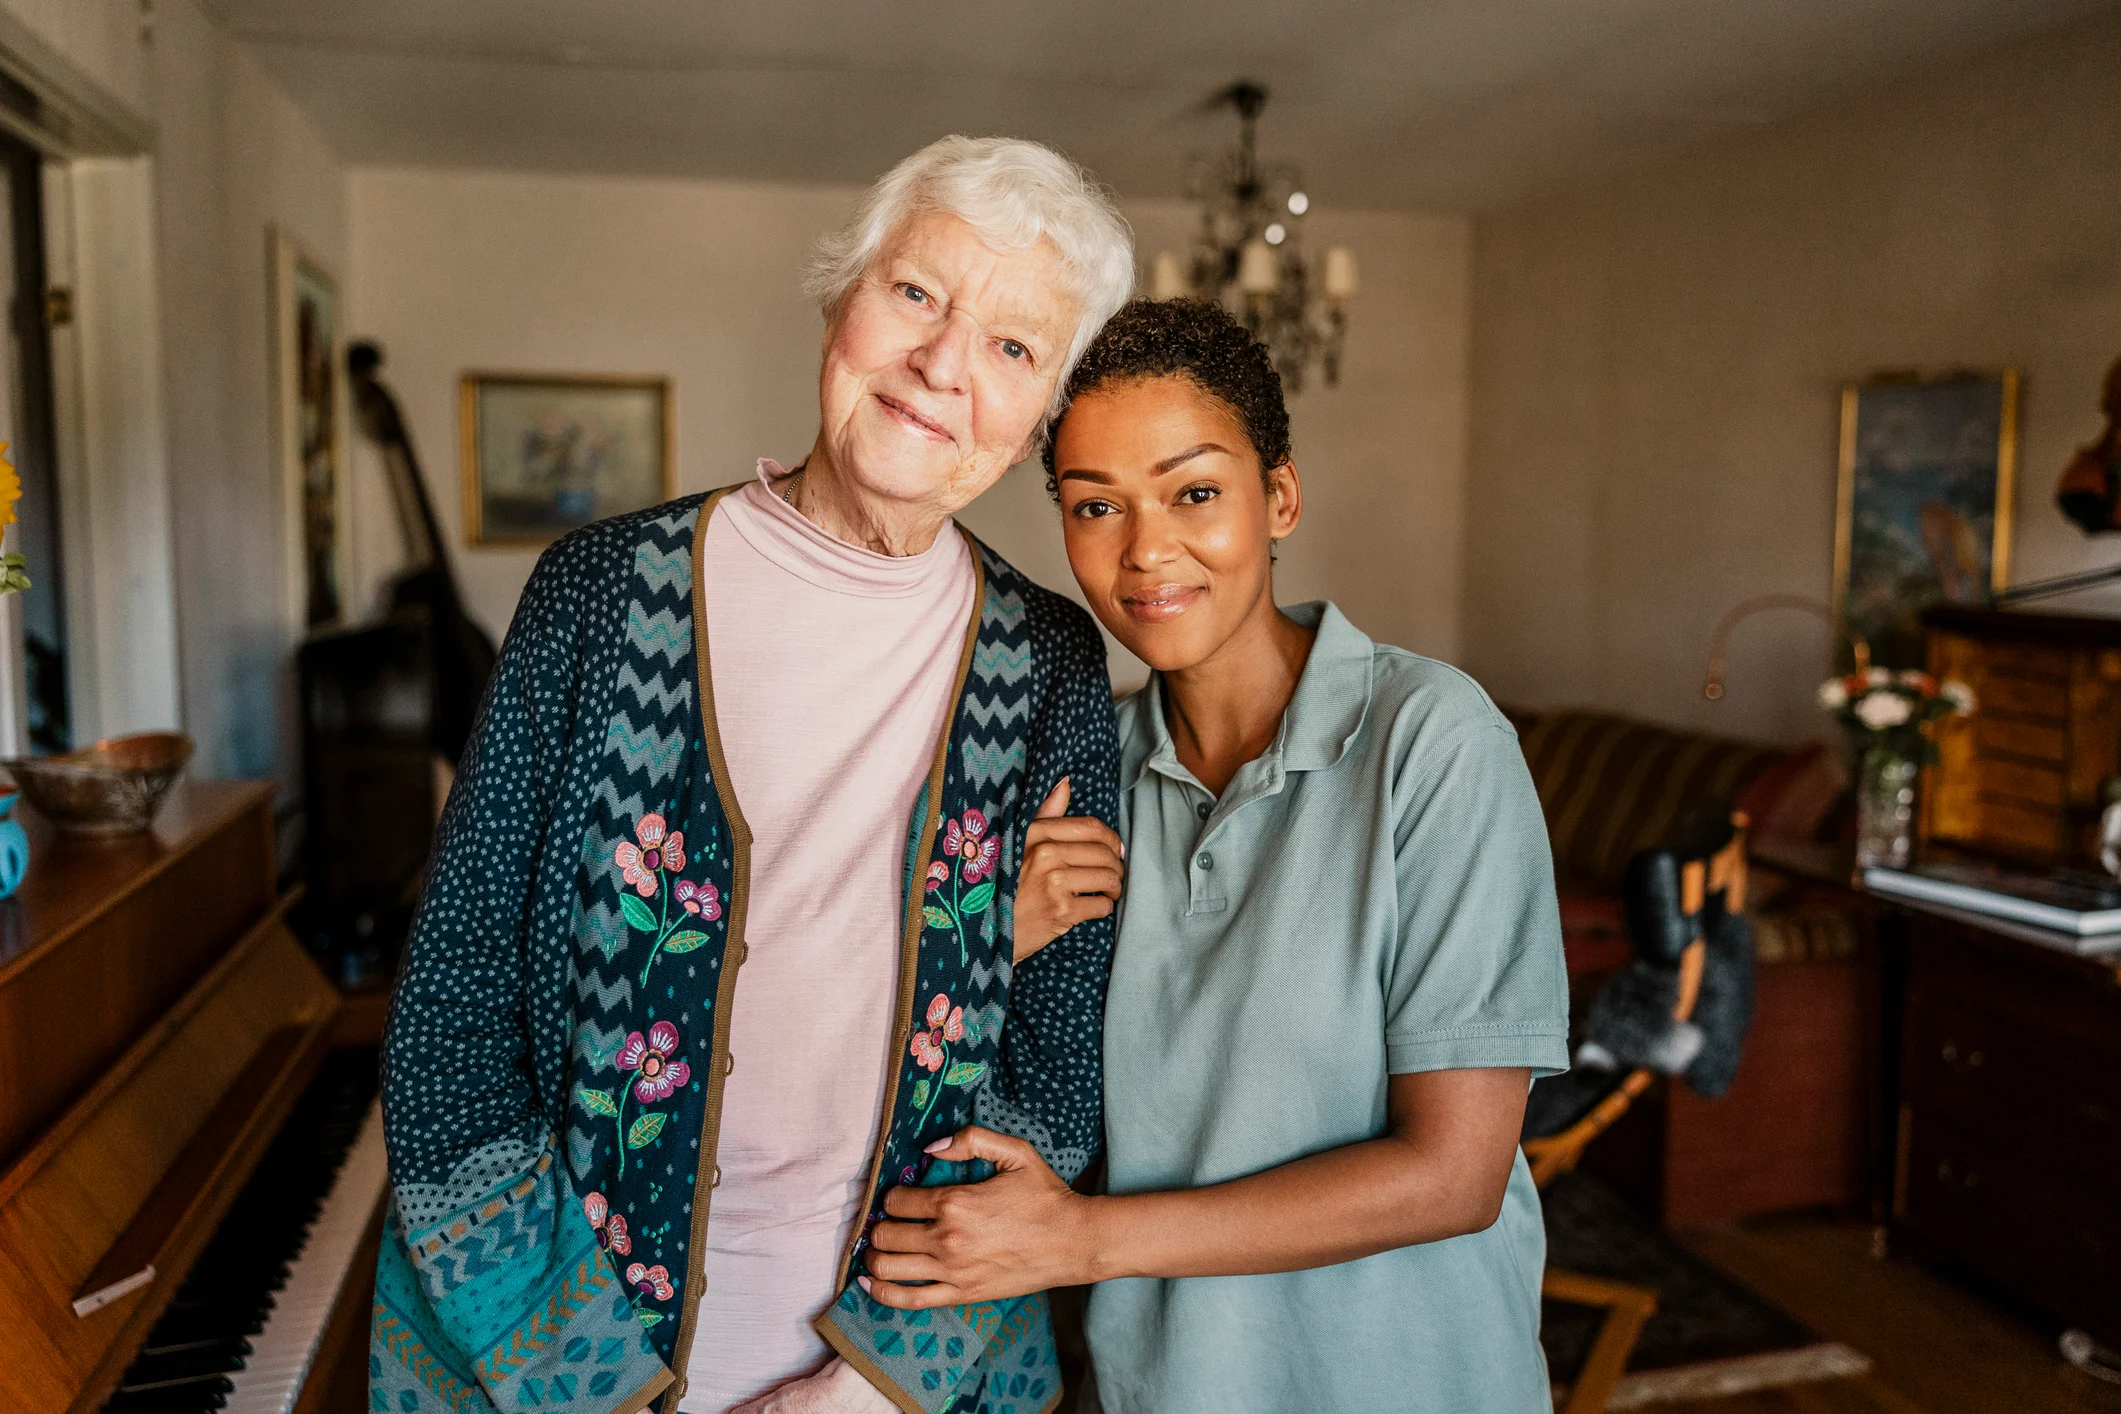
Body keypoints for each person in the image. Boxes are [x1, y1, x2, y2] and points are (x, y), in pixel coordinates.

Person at [370, 137, 1137, 1414]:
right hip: (540, 1365)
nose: (944, 367)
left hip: (896, 1379)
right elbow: (452, 1007)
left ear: (1043, 418)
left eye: (1013, 348)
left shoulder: (1052, 665)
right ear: (843, 295)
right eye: (917, 294)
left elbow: (1048, 1086)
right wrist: (580, 1378)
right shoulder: (599, 594)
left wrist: (865, 1390)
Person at [860, 299, 1570, 1412]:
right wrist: (994, 938)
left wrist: (1082, 1240)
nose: (1145, 551)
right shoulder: (1085, 780)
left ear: (1278, 495)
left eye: (1195, 492)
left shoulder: (1433, 741)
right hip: (1166, 1383)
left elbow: (1454, 1174)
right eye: (1097, 505)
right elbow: (1010, 1084)